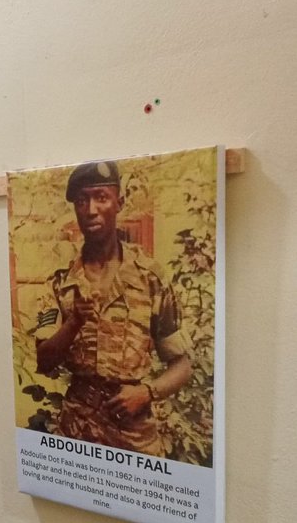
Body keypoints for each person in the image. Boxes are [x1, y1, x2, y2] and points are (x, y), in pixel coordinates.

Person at [35, 160, 192, 454]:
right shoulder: (61, 282)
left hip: (134, 435)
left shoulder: (149, 277)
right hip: (76, 432)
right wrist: (73, 323)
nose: (91, 209)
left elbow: (182, 365)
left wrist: (147, 392)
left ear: (118, 203)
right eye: (82, 201)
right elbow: (44, 361)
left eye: (101, 198)